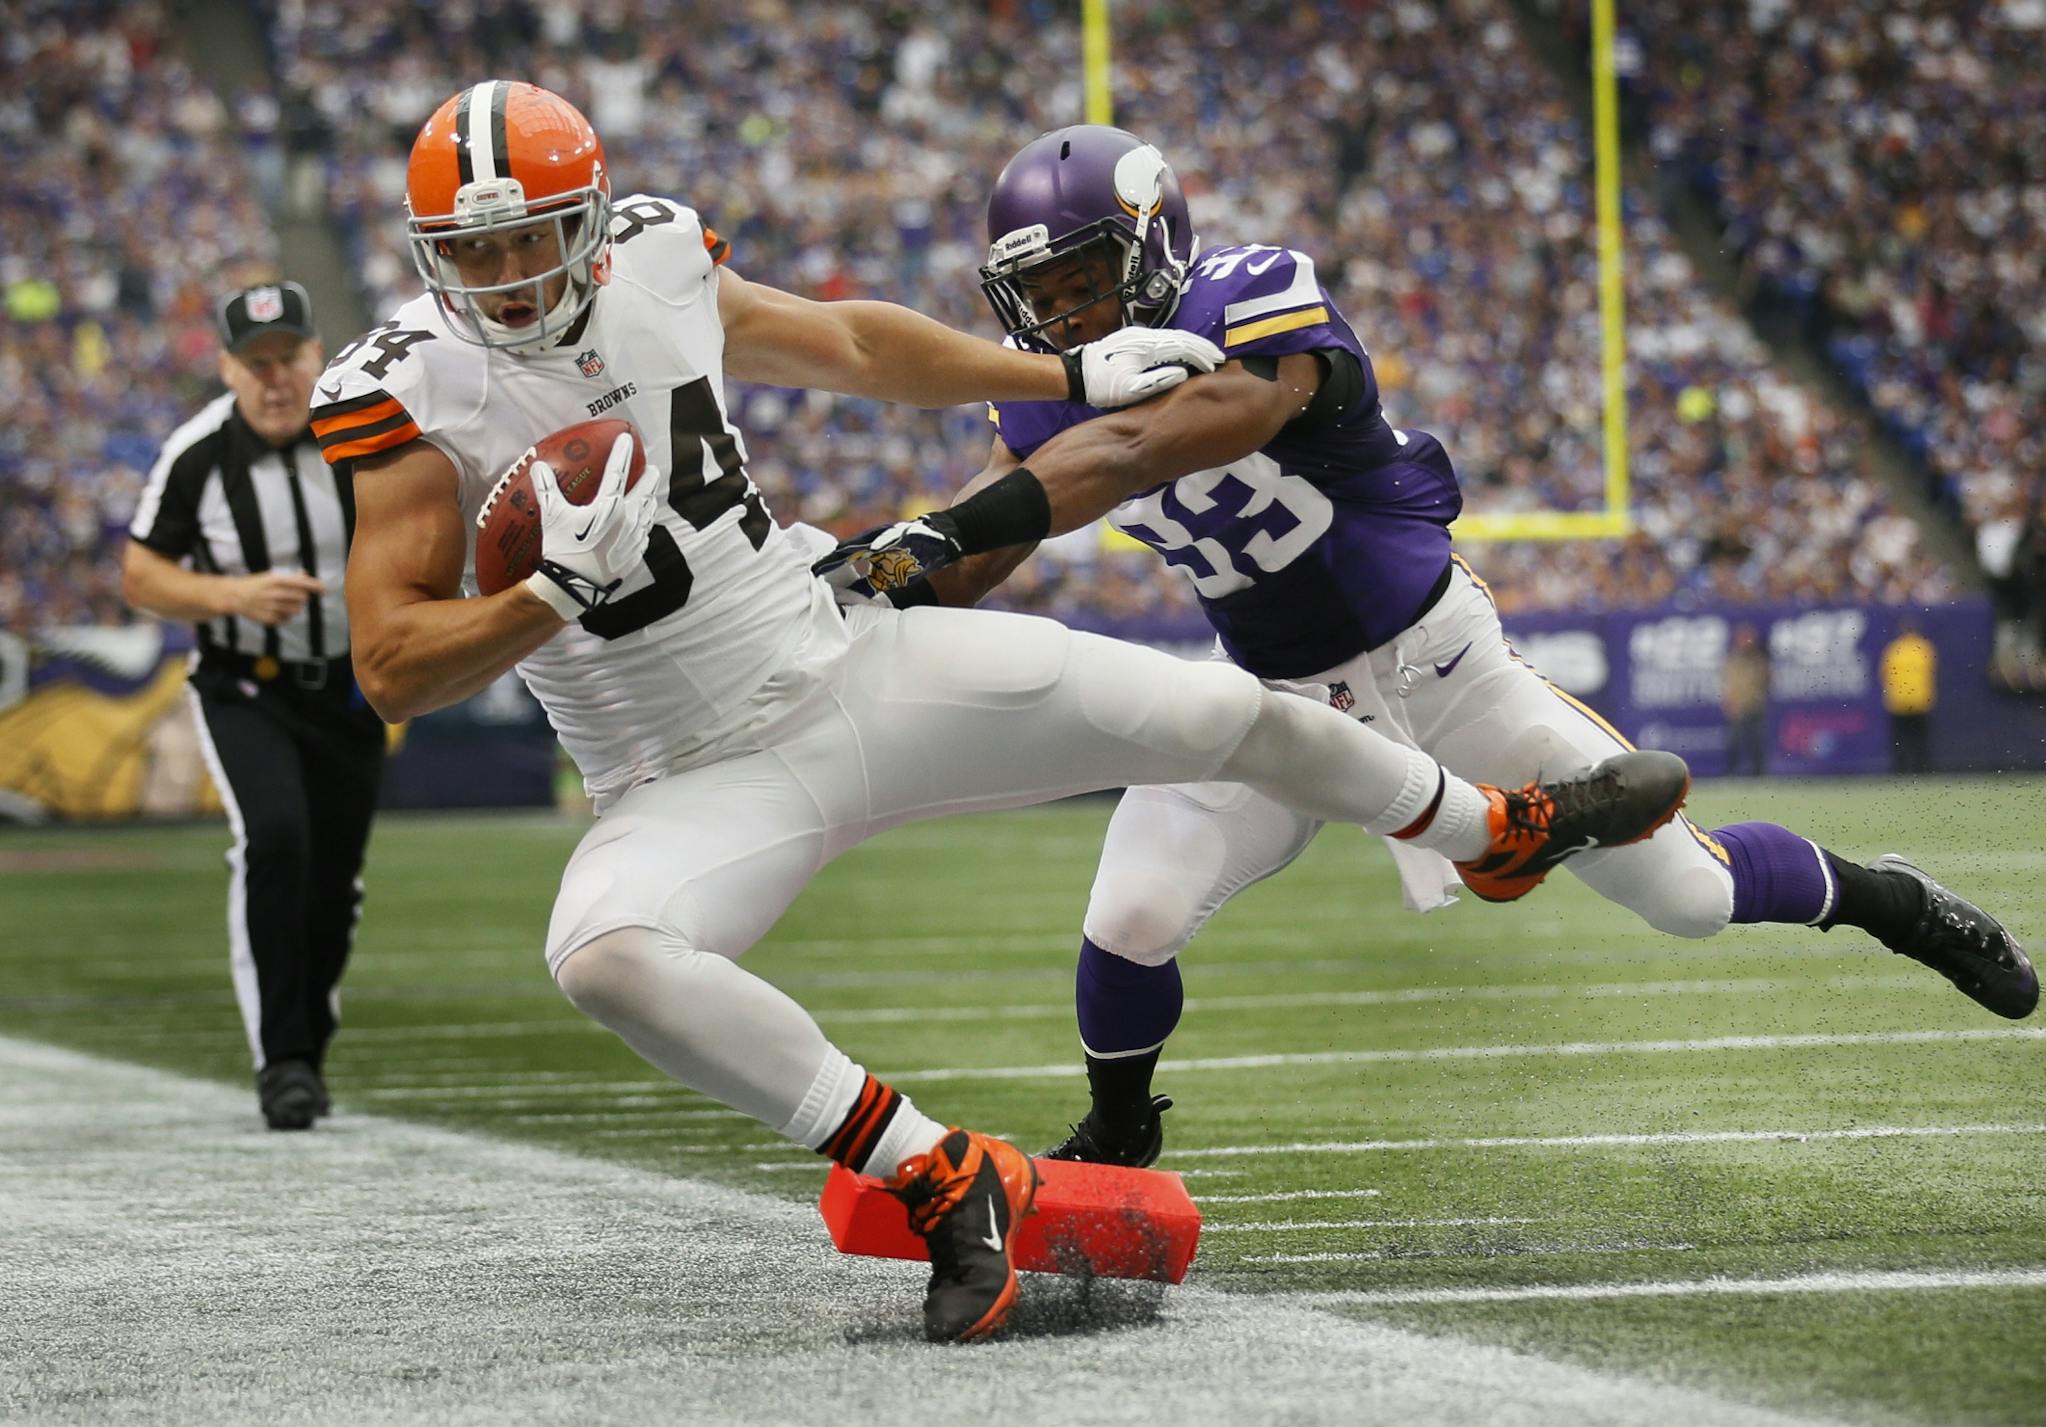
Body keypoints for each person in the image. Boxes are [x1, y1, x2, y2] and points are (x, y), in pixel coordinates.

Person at [315, 82, 1688, 1344]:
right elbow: (394, 664)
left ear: (596, 215)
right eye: (473, 251)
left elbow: (850, 342)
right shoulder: (409, 388)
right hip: (684, 772)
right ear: (432, 252)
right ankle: (935, 1169)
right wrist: (548, 591)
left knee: (1213, 711)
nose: (504, 278)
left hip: (845, 658)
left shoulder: (663, 258)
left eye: (531, 238)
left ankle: (1496, 828)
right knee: (601, 952)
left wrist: (1063, 377)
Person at [815, 125, 2041, 1168]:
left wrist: (949, 526)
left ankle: (1894, 901)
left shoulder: (1248, 295)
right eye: (1046, 289)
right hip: (1273, 698)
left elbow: (1160, 440)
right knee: (1130, 911)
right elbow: (969, 552)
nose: (1067, 310)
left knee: (1689, 894)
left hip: (1440, 665)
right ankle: (1120, 1131)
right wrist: (858, 583)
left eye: (1086, 274)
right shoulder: (1045, 383)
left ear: (1155, 244)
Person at [124, 280, 384, 1131]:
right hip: (246, 686)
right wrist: (234, 594)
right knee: (276, 837)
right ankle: (285, 1062)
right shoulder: (197, 452)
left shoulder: (364, 433)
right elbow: (141, 574)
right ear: (229, 368)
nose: (277, 379)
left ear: (318, 356)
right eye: (257, 363)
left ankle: (306, 1041)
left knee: (336, 883)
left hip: (349, 688)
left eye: (291, 359)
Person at [1880, 616, 1937, 774]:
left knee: (1901, 739)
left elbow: (1884, 674)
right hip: (1920, 701)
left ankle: (1901, 769)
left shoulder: (1893, 649)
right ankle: (1922, 769)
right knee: (1919, 739)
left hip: (1898, 701)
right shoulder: (1925, 648)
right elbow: (1931, 673)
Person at [1722, 622, 1770, 778]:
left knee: (1756, 741)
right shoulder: (1733, 660)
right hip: (1738, 704)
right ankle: (1732, 772)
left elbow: (1767, 680)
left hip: (1754, 704)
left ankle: (1759, 773)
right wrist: (1729, 701)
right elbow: (1728, 682)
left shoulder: (1758, 660)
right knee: (1734, 741)